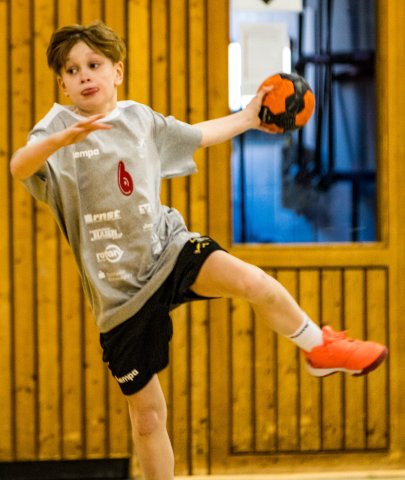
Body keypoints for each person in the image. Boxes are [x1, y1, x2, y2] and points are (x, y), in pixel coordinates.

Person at [10, 21, 387, 480]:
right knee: (148, 418)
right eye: (72, 70)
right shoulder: (54, 129)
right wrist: (56, 142)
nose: (84, 75)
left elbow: (196, 134)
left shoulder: (139, 119)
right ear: (62, 84)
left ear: (117, 71)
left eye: (94, 64)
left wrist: (248, 118)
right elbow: (19, 166)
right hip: (118, 297)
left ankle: (318, 348)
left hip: (169, 251)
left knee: (253, 281)